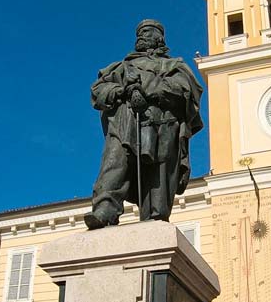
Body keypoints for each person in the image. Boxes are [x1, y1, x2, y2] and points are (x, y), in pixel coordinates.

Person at [83, 19, 204, 229]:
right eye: (140, 33)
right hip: (126, 121)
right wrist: (122, 91)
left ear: (159, 38)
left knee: (159, 174)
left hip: (164, 123)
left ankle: (155, 219)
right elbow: (99, 90)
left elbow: (186, 90)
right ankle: (105, 210)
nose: (142, 36)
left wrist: (149, 89)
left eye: (147, 32)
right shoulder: (123, 67)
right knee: (115, 163)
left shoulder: (175, 66)